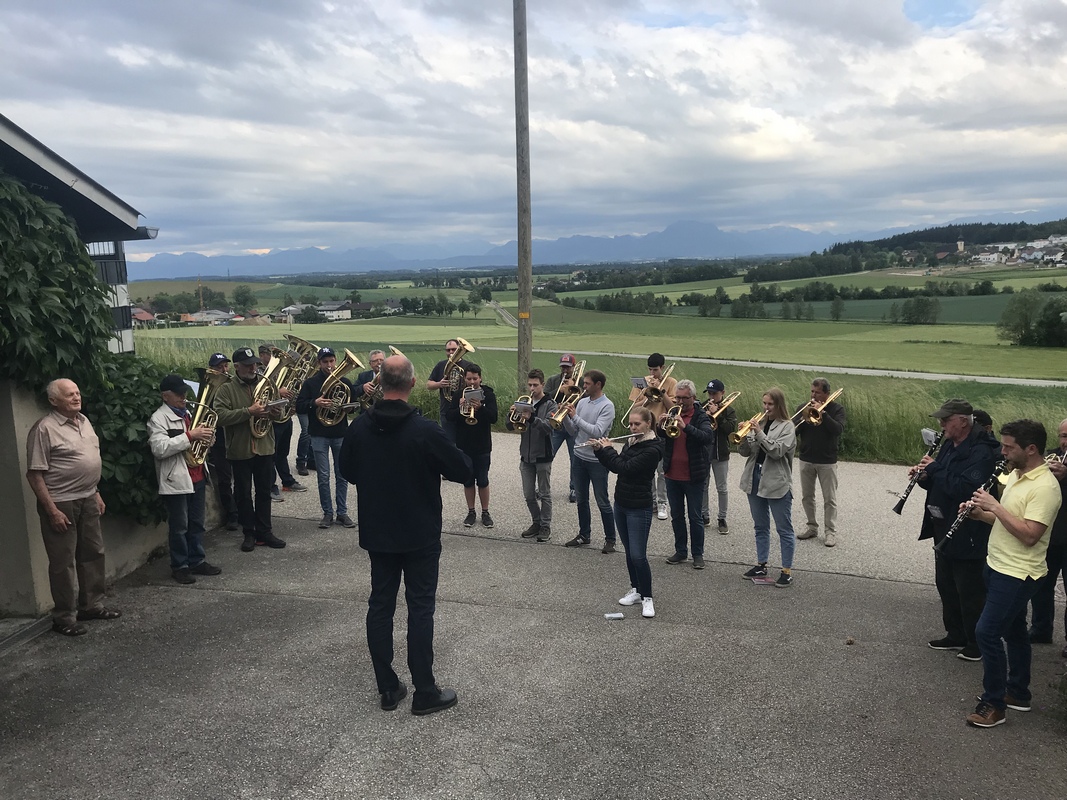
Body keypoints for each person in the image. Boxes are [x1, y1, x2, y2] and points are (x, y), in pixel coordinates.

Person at [339, 355, 473, 715]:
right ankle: (424, 691)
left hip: (378, 533)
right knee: (420, 608)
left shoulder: (359, 427)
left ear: (380, 382)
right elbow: (463, 470)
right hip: (419, 534)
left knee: (380, 605)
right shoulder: (426, 430)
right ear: (413, 384)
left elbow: (347, 471)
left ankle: (388, 688)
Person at [963, 419, 1062, 728]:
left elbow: (1031, 534)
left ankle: (993, 704)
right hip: (998, 565)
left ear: (1031, 449)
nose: (1002, 451)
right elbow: (1011, 524)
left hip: (1019, 573)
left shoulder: (1045, 487)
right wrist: (981, 514)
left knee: (986, 632)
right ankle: (1018, 692)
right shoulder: (1018, 475)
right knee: (1015, 631)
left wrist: (995, 505)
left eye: (1009, 447)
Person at [25, 378, 121, 636]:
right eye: (69, 395)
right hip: (61, 501)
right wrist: (51, 510)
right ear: (54, 401)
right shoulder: (44, 429)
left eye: (78, 392)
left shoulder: (84, 422)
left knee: (93, 553)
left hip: (88, 497)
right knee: (63, 562)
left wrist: (96, 492)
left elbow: (88, 462)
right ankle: (64, 618)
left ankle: (91, 605)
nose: (77, 397)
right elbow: (35, 475)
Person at [911, 399, 999, 662]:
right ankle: (955, 633)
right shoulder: (950, 443)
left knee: (969, 589)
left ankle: (976, 642)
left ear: (963, 420)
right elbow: (942, 481)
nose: (941, 424)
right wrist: (924, 477)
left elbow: (966, 488)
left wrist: (934, 468)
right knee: (945, 583)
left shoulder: (982, 451)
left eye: (946, 420)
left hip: (968, 528)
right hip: (943, 525)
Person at [147, 374, 222, 584]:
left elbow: (199, 443)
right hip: (177, 480)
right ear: (165, 396)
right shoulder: (158, 419)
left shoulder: (188, 413)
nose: (184, 396)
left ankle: (197, 560)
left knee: (197, 523)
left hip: (196, 475)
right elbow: (159, 449)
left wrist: (207, 438)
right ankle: (180, 566)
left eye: (184, 392)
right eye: (179, 393)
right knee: (180, 527)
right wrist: (191, 436)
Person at [213, 347, 287, 552]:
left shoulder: (267, 384)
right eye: (247, 365)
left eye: (254, 364)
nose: (253, 368)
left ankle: (265, 531)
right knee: (243, 493)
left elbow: (277, 417)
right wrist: (249, 412)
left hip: (264, 447)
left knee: (264, 492)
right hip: (240, 449)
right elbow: (219, 416)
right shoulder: (226, 388)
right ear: (237, 367)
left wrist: (275, 411)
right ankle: (249, 532)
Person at [593, 406, 665, 618]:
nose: (632, 428)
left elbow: (625, 468)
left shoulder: (653, 448)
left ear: (648, 425)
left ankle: (648, 598)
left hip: (639, 507)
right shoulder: (632, 442)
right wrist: (599, 450)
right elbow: (615, 465)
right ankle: (636, 589)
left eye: (637, 424)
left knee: (638, 555)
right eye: (631, 424)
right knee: (628, 551)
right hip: (622, 502)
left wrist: (608, 450)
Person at [738, 388, 797, 588]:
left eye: (770, 404)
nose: (765, 407)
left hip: (777, 480)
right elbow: (747, 453)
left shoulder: (788, 427)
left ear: (778, 405)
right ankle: (761, 564)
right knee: (760, 526)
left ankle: (786, 570)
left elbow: (777, 451)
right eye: (764, 403)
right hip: (755, 477)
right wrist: (745, 435)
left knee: (784, 528)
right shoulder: (760, 423)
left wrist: (759, 433)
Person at [296, 347, 357, 529]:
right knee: (323, 476)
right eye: (325, 362)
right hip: (319, 434)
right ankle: (327, 513)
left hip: (340, 433)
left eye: (331, 361)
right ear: (319, 363)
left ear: (335, 361)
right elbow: (299, 405)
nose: (329, 365)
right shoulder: (311, 384)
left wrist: (347, 407)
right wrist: (315, 403)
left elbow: (354, 405)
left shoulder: (344, 382)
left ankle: (342, 512)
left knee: (342, 474)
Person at [662, 380, 714, 569]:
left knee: (695, 516)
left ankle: (698, 554)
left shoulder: (701, 416)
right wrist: (661, 426)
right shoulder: (673, 413)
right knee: (676, 516)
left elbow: (707, 437)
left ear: (693, 398)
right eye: (678, 397)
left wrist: (686, 427)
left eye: (685, 398)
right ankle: (681, 551)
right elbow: (665, 438)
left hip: (693, 475)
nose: (681, 401)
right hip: (672, 474)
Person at [562, 369, 617, 553]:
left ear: (598, 385)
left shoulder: (607, 406)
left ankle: (611, 539)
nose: (583, 387)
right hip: (579, 458)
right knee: (581, 500)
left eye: (586, 384)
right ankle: (584, 535)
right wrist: (563, 418)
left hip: (597, 461)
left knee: (602, 500)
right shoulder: (583, 402)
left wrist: (575, 417)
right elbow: (574, 432)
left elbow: (598, 431)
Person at [1027, 418, 1067, 653]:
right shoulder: (1050, 457)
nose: (1065, 442)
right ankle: (1041, 629)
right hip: (1050, 535)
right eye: (1063, 436)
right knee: (1041, 585)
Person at [794, 378, 847, 548]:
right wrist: (804, 418)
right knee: (807, 496)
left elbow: (838, 430)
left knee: (829, 498)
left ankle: (830, 532)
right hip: (806, 458)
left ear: (826, 394)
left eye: (817, 392)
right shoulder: (804, 407)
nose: (813, 395)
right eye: (812, 392)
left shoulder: (836, 409)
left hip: (827, 461)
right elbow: (793, 430)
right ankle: (811, 527)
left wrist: (823, 414)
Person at [507, 369, 557, 542]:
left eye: (535, 385)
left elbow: (548, 428)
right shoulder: (523, 401)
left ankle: (545, 526)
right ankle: (536, 522)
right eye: (530, 384)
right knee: (529, 495)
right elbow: (509, 426)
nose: (532, 388)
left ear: (542, 384)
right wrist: (511, 414)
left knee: (544, 494)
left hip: (543, 455)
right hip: (525, 456)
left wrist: (531, 418)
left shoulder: (550, 404)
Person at [446, 363, 498, 528]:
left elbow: (494, 417)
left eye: (475, 378)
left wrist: (480, 408)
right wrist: (461, 406)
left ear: (480, 378)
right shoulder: (459, 394)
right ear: (465, 379)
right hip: (464, 444)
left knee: (482, 480)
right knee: (468, 480)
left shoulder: (488, 394)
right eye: (469, 379)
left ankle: (485, 512)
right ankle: (471, 511)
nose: (472, 382)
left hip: (482, 444)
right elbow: (449, 416)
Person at [627, 353, 677, 520]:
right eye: (650, 369)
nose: (652, 373)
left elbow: (673, 408)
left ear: (662, 368)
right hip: (644, 430)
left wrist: (661, 392)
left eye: (655, 369)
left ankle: (663, 502)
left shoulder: (672, 383)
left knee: (662, 470)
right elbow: (634, 406)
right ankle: (652, 500)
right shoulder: (642, 382)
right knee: (647, 468)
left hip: (662, 430)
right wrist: (648, 394)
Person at [261, 343, 307, 502]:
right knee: (271, 455)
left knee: (283, 452)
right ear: (262, 356)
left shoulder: (282, 371)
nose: (275, 358)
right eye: (270, 354)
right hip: (271, 418)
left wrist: (293, 403)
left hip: (285, 417)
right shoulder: (260, 371)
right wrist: (278, 390)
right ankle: (271, 486)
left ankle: (287, 481)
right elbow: (260, 393)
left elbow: (293, 388)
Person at [205, 352, 238, 531]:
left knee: (241, 477)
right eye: (220, 367)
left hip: (235, 436)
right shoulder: (206, 388)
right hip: (219, 439)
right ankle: (231, 514)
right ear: (211, 369)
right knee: (224, 478)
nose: (225, 370)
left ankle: (243, 510)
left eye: (226, 366)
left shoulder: (234, 386)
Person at [701, 378, 736, 533]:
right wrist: (705, 415)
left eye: (714, 393)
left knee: (722, 488)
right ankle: (704, 515)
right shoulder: (702, 406)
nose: (711, 397)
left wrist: (717, 415)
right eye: (709, 393)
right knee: (703, 486)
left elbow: (729, 430)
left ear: (723, 393)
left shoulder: (729, 410)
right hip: (704, 452)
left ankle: (722, 518)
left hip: (720, 453)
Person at [545, 354, 579, 503]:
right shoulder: (553, 380)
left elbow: (584, 399)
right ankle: (543, 487)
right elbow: (545, 397)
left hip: (573, 424)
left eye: (568, 367)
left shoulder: (581, 381)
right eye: (563, 367)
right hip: (556, 424)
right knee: (547, 455)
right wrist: (561, 391)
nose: (565, 370)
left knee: (575, 459)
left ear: (573, 367)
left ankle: (574, 488)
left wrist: (572, 388)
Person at [426, 338, 472, 443]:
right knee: (449, 443)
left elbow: (476, 385)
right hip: (446, 409)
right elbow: (428, 385)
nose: (451, 352)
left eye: (454, 349)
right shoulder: (441, 365)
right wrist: (439, 384)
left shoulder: (468, 366)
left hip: (464, 409)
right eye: (448, 350)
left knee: (465, 443)